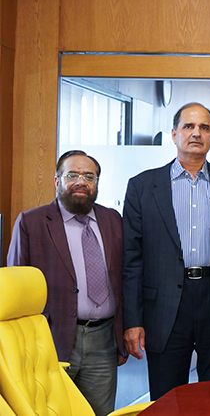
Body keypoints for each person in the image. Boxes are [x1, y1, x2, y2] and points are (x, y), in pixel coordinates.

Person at [122, 103, 210, 400]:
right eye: (189, 127)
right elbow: (131, 260)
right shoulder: (142, 186)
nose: (196, 133)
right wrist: (133, 321)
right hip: (163, 306)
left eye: (204, 128)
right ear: (174, 134)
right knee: (167, 398)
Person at [7, 150, 125, 416]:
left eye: (89, 176)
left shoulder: (112, 220)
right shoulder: (31, 222)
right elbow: (17, 290)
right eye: (72, 175)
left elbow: (124, 278)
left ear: (96, 183)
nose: (81, 182)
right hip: (50, 339)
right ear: (57, 181)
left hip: (102, 341)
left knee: (100, 412)